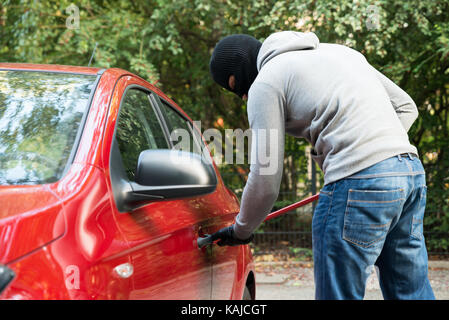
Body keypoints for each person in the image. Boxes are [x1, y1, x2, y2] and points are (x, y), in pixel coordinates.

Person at [208, 31, 435, 300]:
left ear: (239, 71)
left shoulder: (266, 82)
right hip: (409, 174)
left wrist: (241, 229)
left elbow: (265, 178)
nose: (244, 98)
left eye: (237, 88)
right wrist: (381, 160)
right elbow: (406, 107)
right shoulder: (342, 53)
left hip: (357, 183)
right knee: (411, 293)